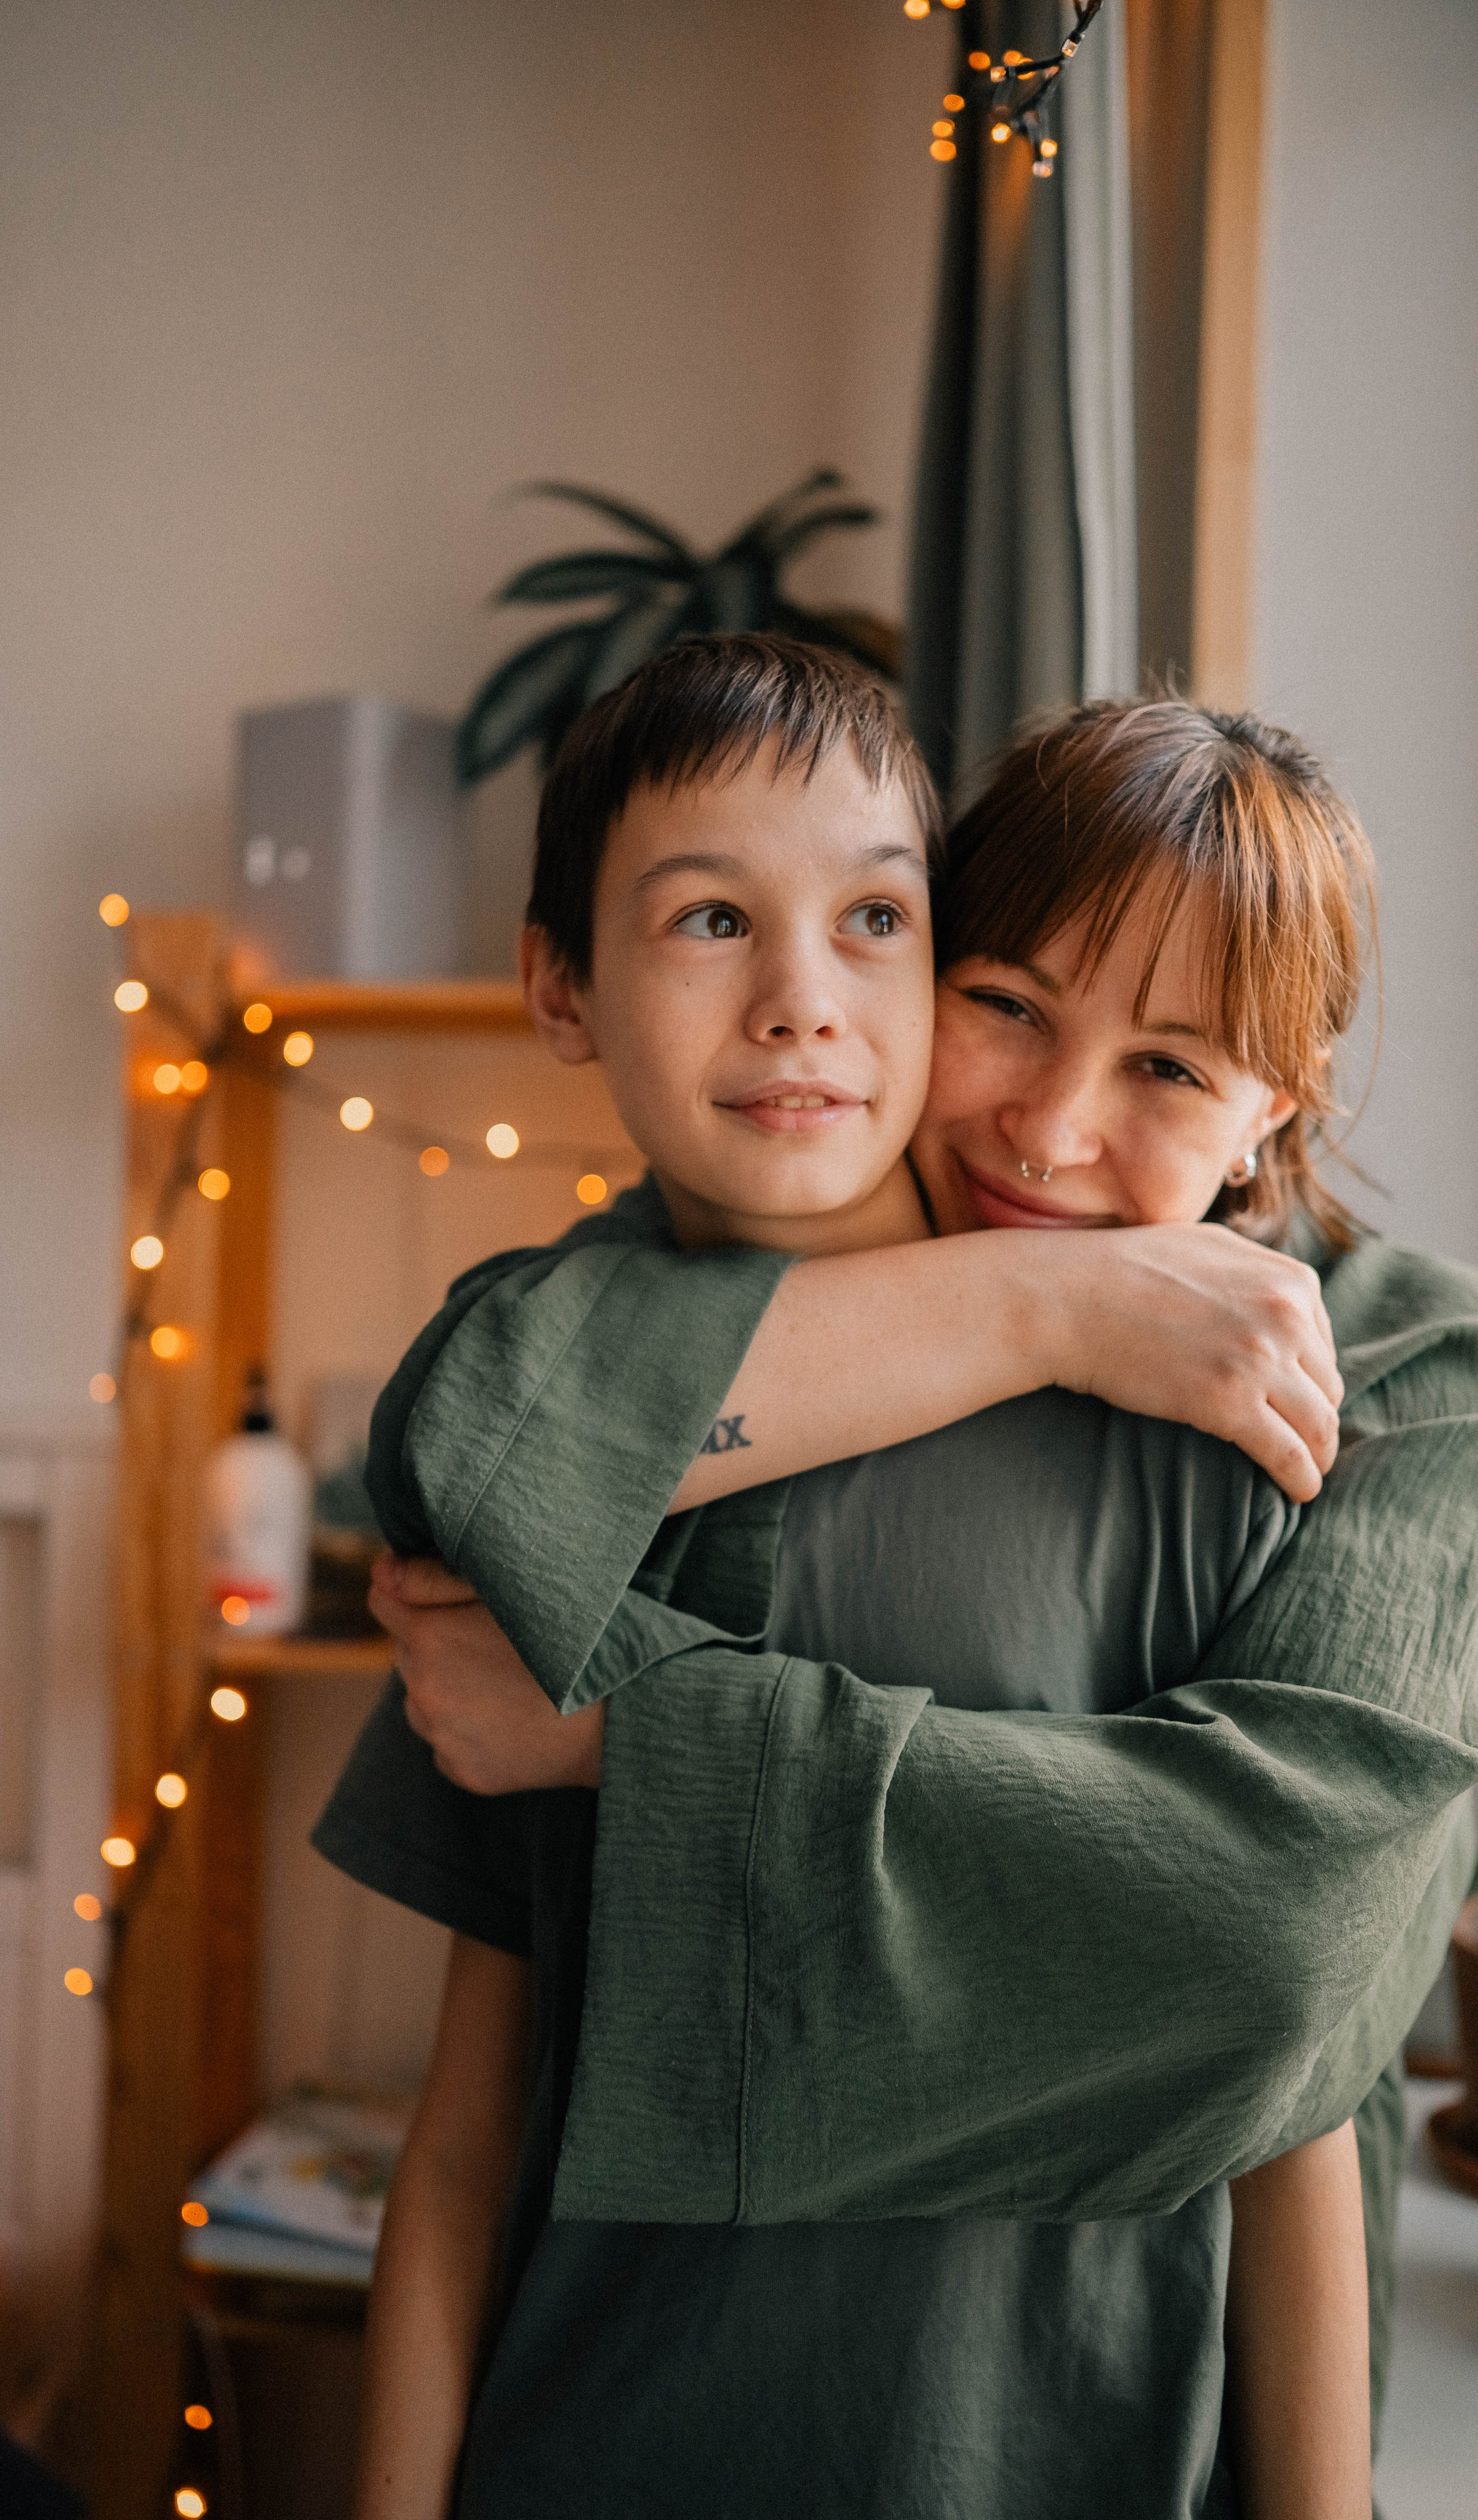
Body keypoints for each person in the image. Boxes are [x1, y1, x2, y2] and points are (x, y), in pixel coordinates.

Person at [319, 644, 1478, 2518]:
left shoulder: (1313, 1417)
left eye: (1170, 1066)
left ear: (1284, 1101)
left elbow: (1282, 1989)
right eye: (1004, 1005)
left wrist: (634, 1740)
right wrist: (1055, 1298)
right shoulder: (665, 1346)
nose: (1051, 1132)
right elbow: (471, 2114)